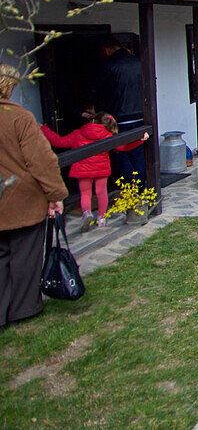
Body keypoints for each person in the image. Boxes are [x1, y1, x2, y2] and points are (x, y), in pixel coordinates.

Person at [0, 64, 68, 331]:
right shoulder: (19, 118)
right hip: (21, 200)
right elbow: (41, 161)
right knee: (25, 255)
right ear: (12, 86)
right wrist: (56, 195)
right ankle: (24, 308)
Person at [41, 112, 146, 232]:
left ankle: (86, 213)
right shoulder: (107, 135)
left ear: (92, 121)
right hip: (101, 169)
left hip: (83, 169)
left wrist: (43, 129)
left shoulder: (78, 133)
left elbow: (59, 141)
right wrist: (139, 141)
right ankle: (101, 218)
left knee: (85, 193)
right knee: (101, 192)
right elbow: (122, 147)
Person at [90, 35, 146, 191]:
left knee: (120, 154)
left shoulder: (109, 65)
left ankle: (129, 190)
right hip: (140, 115)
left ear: (106, 50)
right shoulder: (138, 62)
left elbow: (96, 91)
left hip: (118, 117)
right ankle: (141, 188)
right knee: (137, 152)